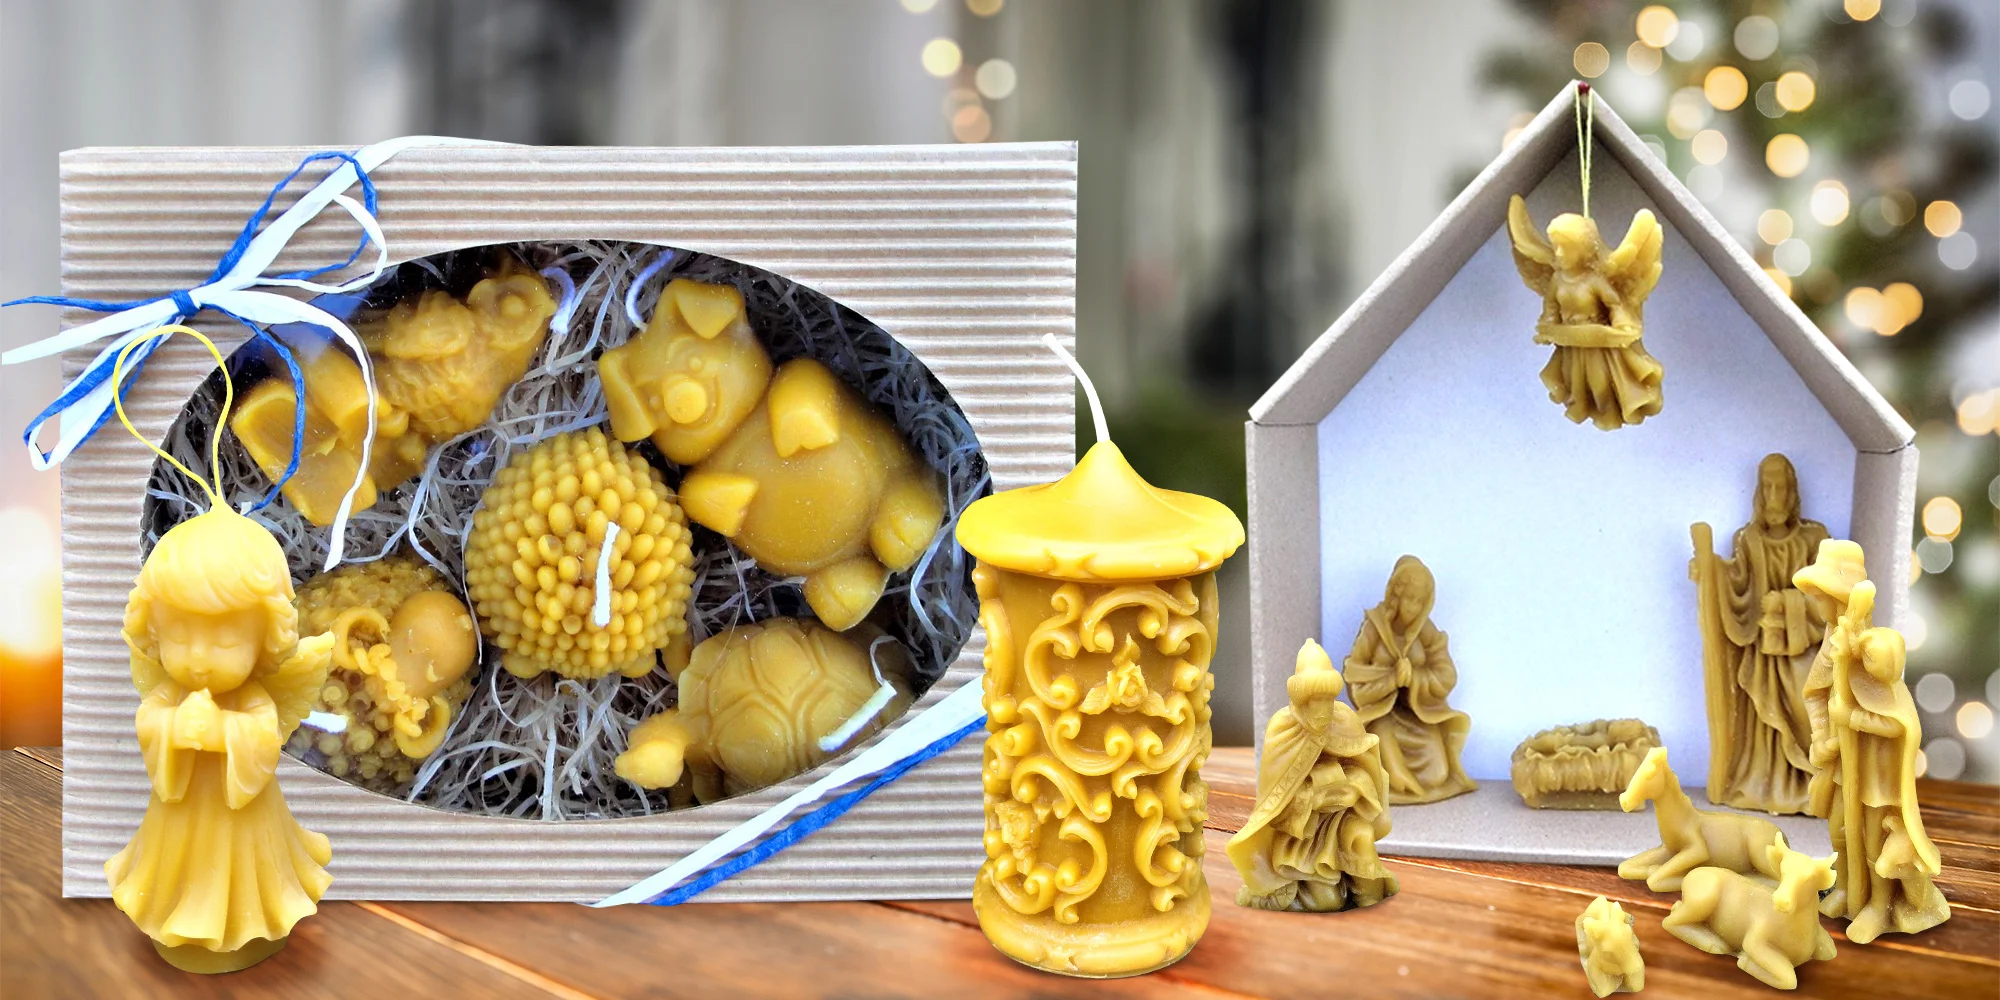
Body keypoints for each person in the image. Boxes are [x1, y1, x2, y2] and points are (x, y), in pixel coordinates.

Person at [107, 506, 335, 972]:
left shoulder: (252, 697)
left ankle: (250, 927)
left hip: (244, 821)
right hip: (178, 818)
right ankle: (175, 918)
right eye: (179, 638)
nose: (199, 658)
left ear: (265, 639)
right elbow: (150, 720)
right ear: (154, 631)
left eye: (226, 642)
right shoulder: (171, 693)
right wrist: (173, 729)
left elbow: (264, 736)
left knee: (249, 880)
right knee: (173, 874)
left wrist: (221, 733)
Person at [1794, 542, 1950, 943]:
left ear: (1840, 596)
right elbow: (1815, 694)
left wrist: (1854, 718)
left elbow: (1899, 720)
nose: (1817, 603)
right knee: (1840, 830)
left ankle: (1878, 906)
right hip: (1842, 762)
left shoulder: (1876, 647)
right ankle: (1847, 888)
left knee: (1873, 839)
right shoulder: (1832, 640)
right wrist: (1822, 735)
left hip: (1875, 770)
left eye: (1821, 595)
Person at [1690, 453, 1829, 814]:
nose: (1773, 496)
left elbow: (1829, 594)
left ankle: (1815, 783)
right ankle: (1763, 783)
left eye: (1781, 488)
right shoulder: (1748, 539)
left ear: (1792, 492)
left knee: (1807, 709)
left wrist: (1786, 605)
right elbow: (1737, 583)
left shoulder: (1814, 538)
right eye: (1767, 488)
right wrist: (1709, 571)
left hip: (1803, 649)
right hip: (1763, 652)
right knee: (1762, 718)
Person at [1228, 639, 1398, 912]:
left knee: (1362, 840)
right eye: (1313, 702)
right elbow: (1273, 803)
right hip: (1302, 835)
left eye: (1327, 701)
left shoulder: (1343, 719)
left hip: (1341, 819)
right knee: (1327, 902)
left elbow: (1368, 770)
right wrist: (1312, 798)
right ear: (1300, 701)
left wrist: (1353, 788)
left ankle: (1367, 901)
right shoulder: (1282, 729)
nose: (1322, 712)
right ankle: (1277, 893)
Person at [1343, 556, 1475, 804]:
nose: (1413, 608)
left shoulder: (1426, 631)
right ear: (1396, 595)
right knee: (1390, 765)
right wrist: (1392, 679)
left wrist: (1414, 677)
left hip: (1416, 717)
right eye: (1409, 599)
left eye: (1420, 601)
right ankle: (1392, 781)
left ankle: (1410, 783)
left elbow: (1446, 674)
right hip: (1379, 718)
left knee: (1437, 774)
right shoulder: (1373, 629)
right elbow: (1356, 681)